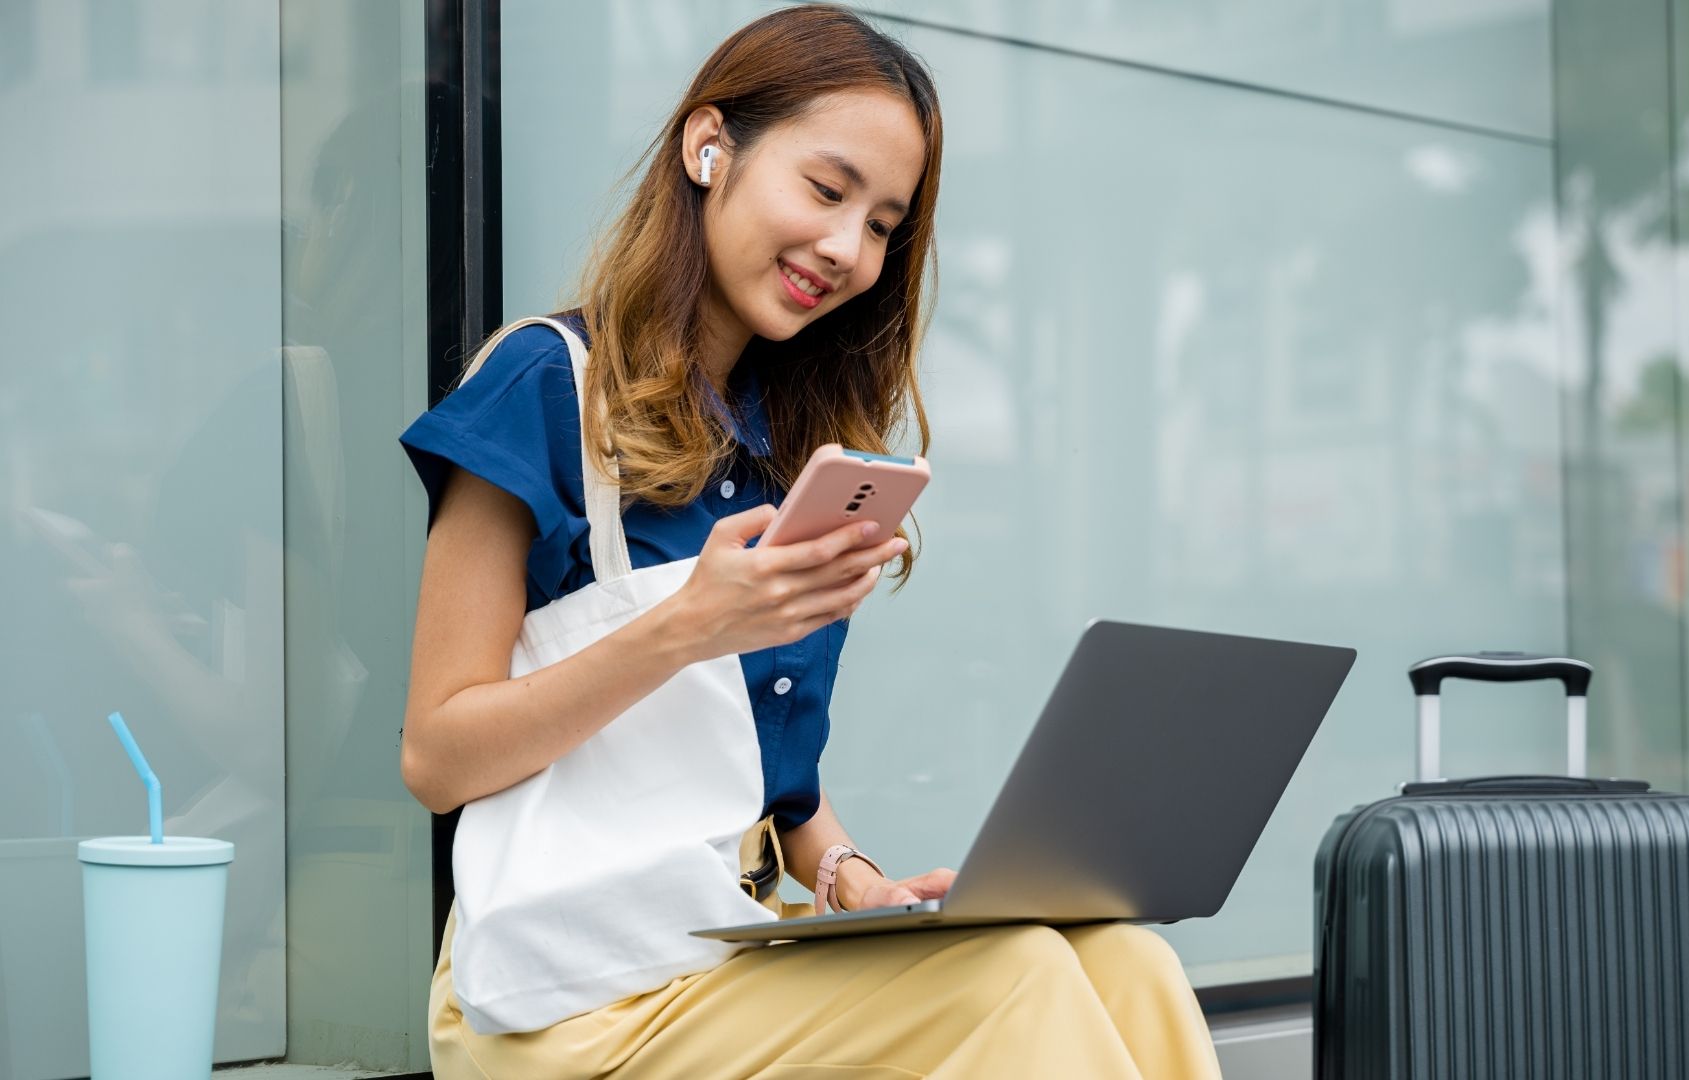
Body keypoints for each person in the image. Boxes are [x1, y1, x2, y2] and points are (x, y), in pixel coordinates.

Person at [398, 7, 1221, 1077]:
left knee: (1123, 960)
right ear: (709, 147)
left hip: (727, 945)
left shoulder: (792, 446)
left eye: (883, 224)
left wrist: (849, 878)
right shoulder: (546, 386)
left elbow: (766, 776)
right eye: (827, 191)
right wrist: (686, 628)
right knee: (1014, 975)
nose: (847, 249)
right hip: (571, 1002)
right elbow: (435, 756)